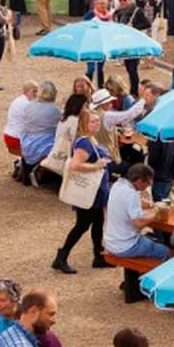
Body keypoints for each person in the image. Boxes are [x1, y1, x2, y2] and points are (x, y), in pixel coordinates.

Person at [52, 112, 114, 274]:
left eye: (97, 121)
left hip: (95, 193)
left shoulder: (89, 140)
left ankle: (98, 257)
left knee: (98, 223)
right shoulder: (85, 143)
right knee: (82, 225)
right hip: (90, 193)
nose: (97, 124)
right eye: (93, 121)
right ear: (84, 124)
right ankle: (61, 257)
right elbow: (74, 165)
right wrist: (96, 166)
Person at [105, 164, 170, 261]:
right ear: (139, 181)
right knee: (168, 252)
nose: (148, 186)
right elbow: (138, 224)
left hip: (111, 242)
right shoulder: (132, 194)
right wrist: (156, 212)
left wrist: (150, 204)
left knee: (151, 239)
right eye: (148, 183)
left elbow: (127, 201)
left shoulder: (118, 185)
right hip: (127, 246)